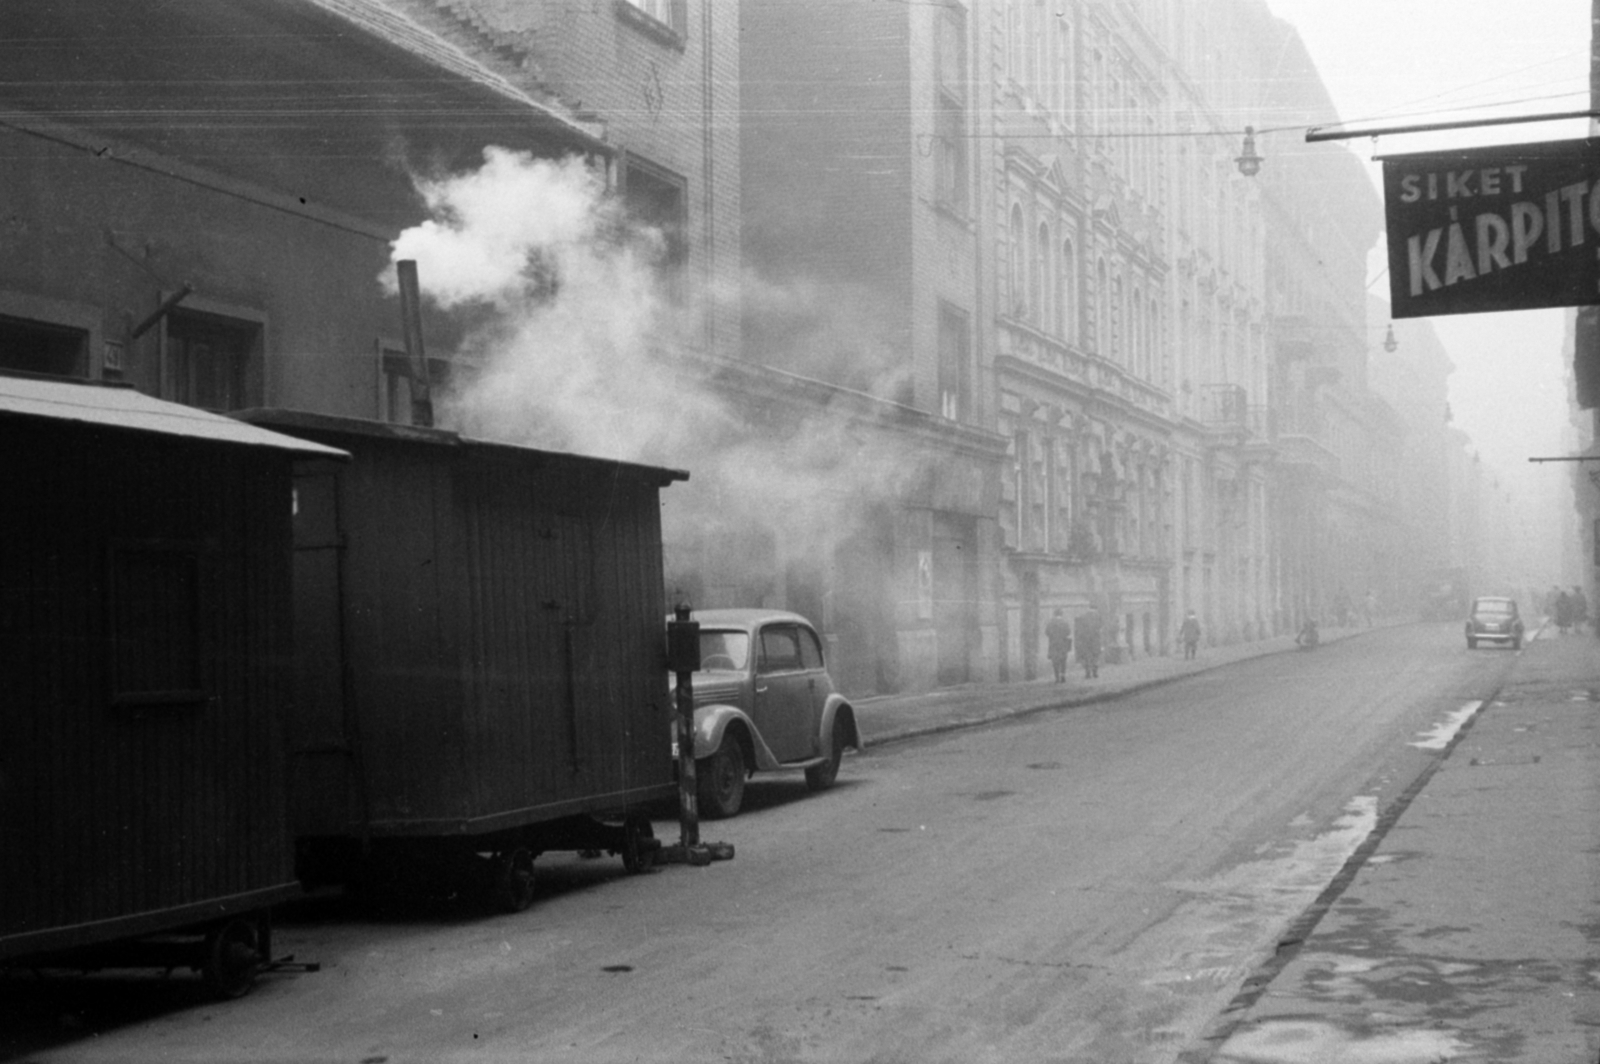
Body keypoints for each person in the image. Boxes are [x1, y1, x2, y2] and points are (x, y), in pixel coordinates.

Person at [1044, 608, 1073, 683]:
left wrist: (1053, 636)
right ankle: (1062, 675)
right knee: (1063, 660)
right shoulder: (1065, 622)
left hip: (1053, 644)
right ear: (1061, 614)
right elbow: (1068, 632)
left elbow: (1047, 632)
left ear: (1054, 614)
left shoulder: (1050, 623)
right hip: (1063, 643)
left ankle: (1057, 677)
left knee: (1055, 661)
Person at [1074, 604, 1103, 679]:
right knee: (1095, 656)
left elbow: (1080, 629)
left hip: (1086, 640)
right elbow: (1100, 628)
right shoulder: (1098, 617)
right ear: (1096, 608)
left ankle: (1087, 673)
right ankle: (1095, 672)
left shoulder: (1083, 616)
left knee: (1087, 656)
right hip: (1096, 640)